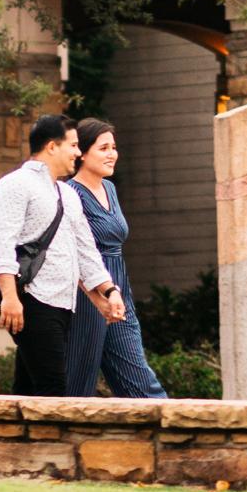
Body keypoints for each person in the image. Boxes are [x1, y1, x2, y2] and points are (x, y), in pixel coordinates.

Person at [0, 114, 126, 396]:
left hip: (62, 304)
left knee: (28, 391)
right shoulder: (14, 185)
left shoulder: (67, 194)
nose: (78, 152)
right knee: (53, 391)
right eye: (73, 145)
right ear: (52, 146)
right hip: (32, 300)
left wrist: (108, 292)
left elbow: (85, 251)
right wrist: (10, 298)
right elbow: (2, 246)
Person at [64, 116, 167, 399]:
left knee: (139, 380)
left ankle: (163, 422)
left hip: (120, 289)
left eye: (113, 147)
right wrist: (101, 292)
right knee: (78, 382)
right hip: (88, 295)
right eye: (103, 148)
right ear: (82, 153)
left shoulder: (109, 188)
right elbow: (74, 251)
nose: (112, 154)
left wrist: (115, 291)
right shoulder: (71, 194)